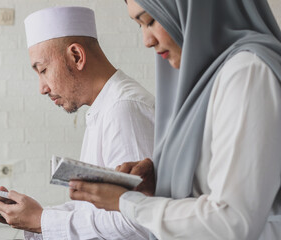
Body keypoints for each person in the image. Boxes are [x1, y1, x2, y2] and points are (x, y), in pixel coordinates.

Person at [69, 0, 281, 239]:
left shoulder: (247, 72)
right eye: (140, 25)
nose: (147, 41)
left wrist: (127, 203)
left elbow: (232, 221)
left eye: (150, 21)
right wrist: (162, 179)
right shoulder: (212, 76)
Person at [0, 6, 155, 240]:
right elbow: (98, 210)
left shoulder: (124, 109)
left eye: (43, 70)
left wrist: (42, 221)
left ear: (77, 56)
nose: (42, 88)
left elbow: (137, 219)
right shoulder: (106, 106)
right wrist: (33, 218)